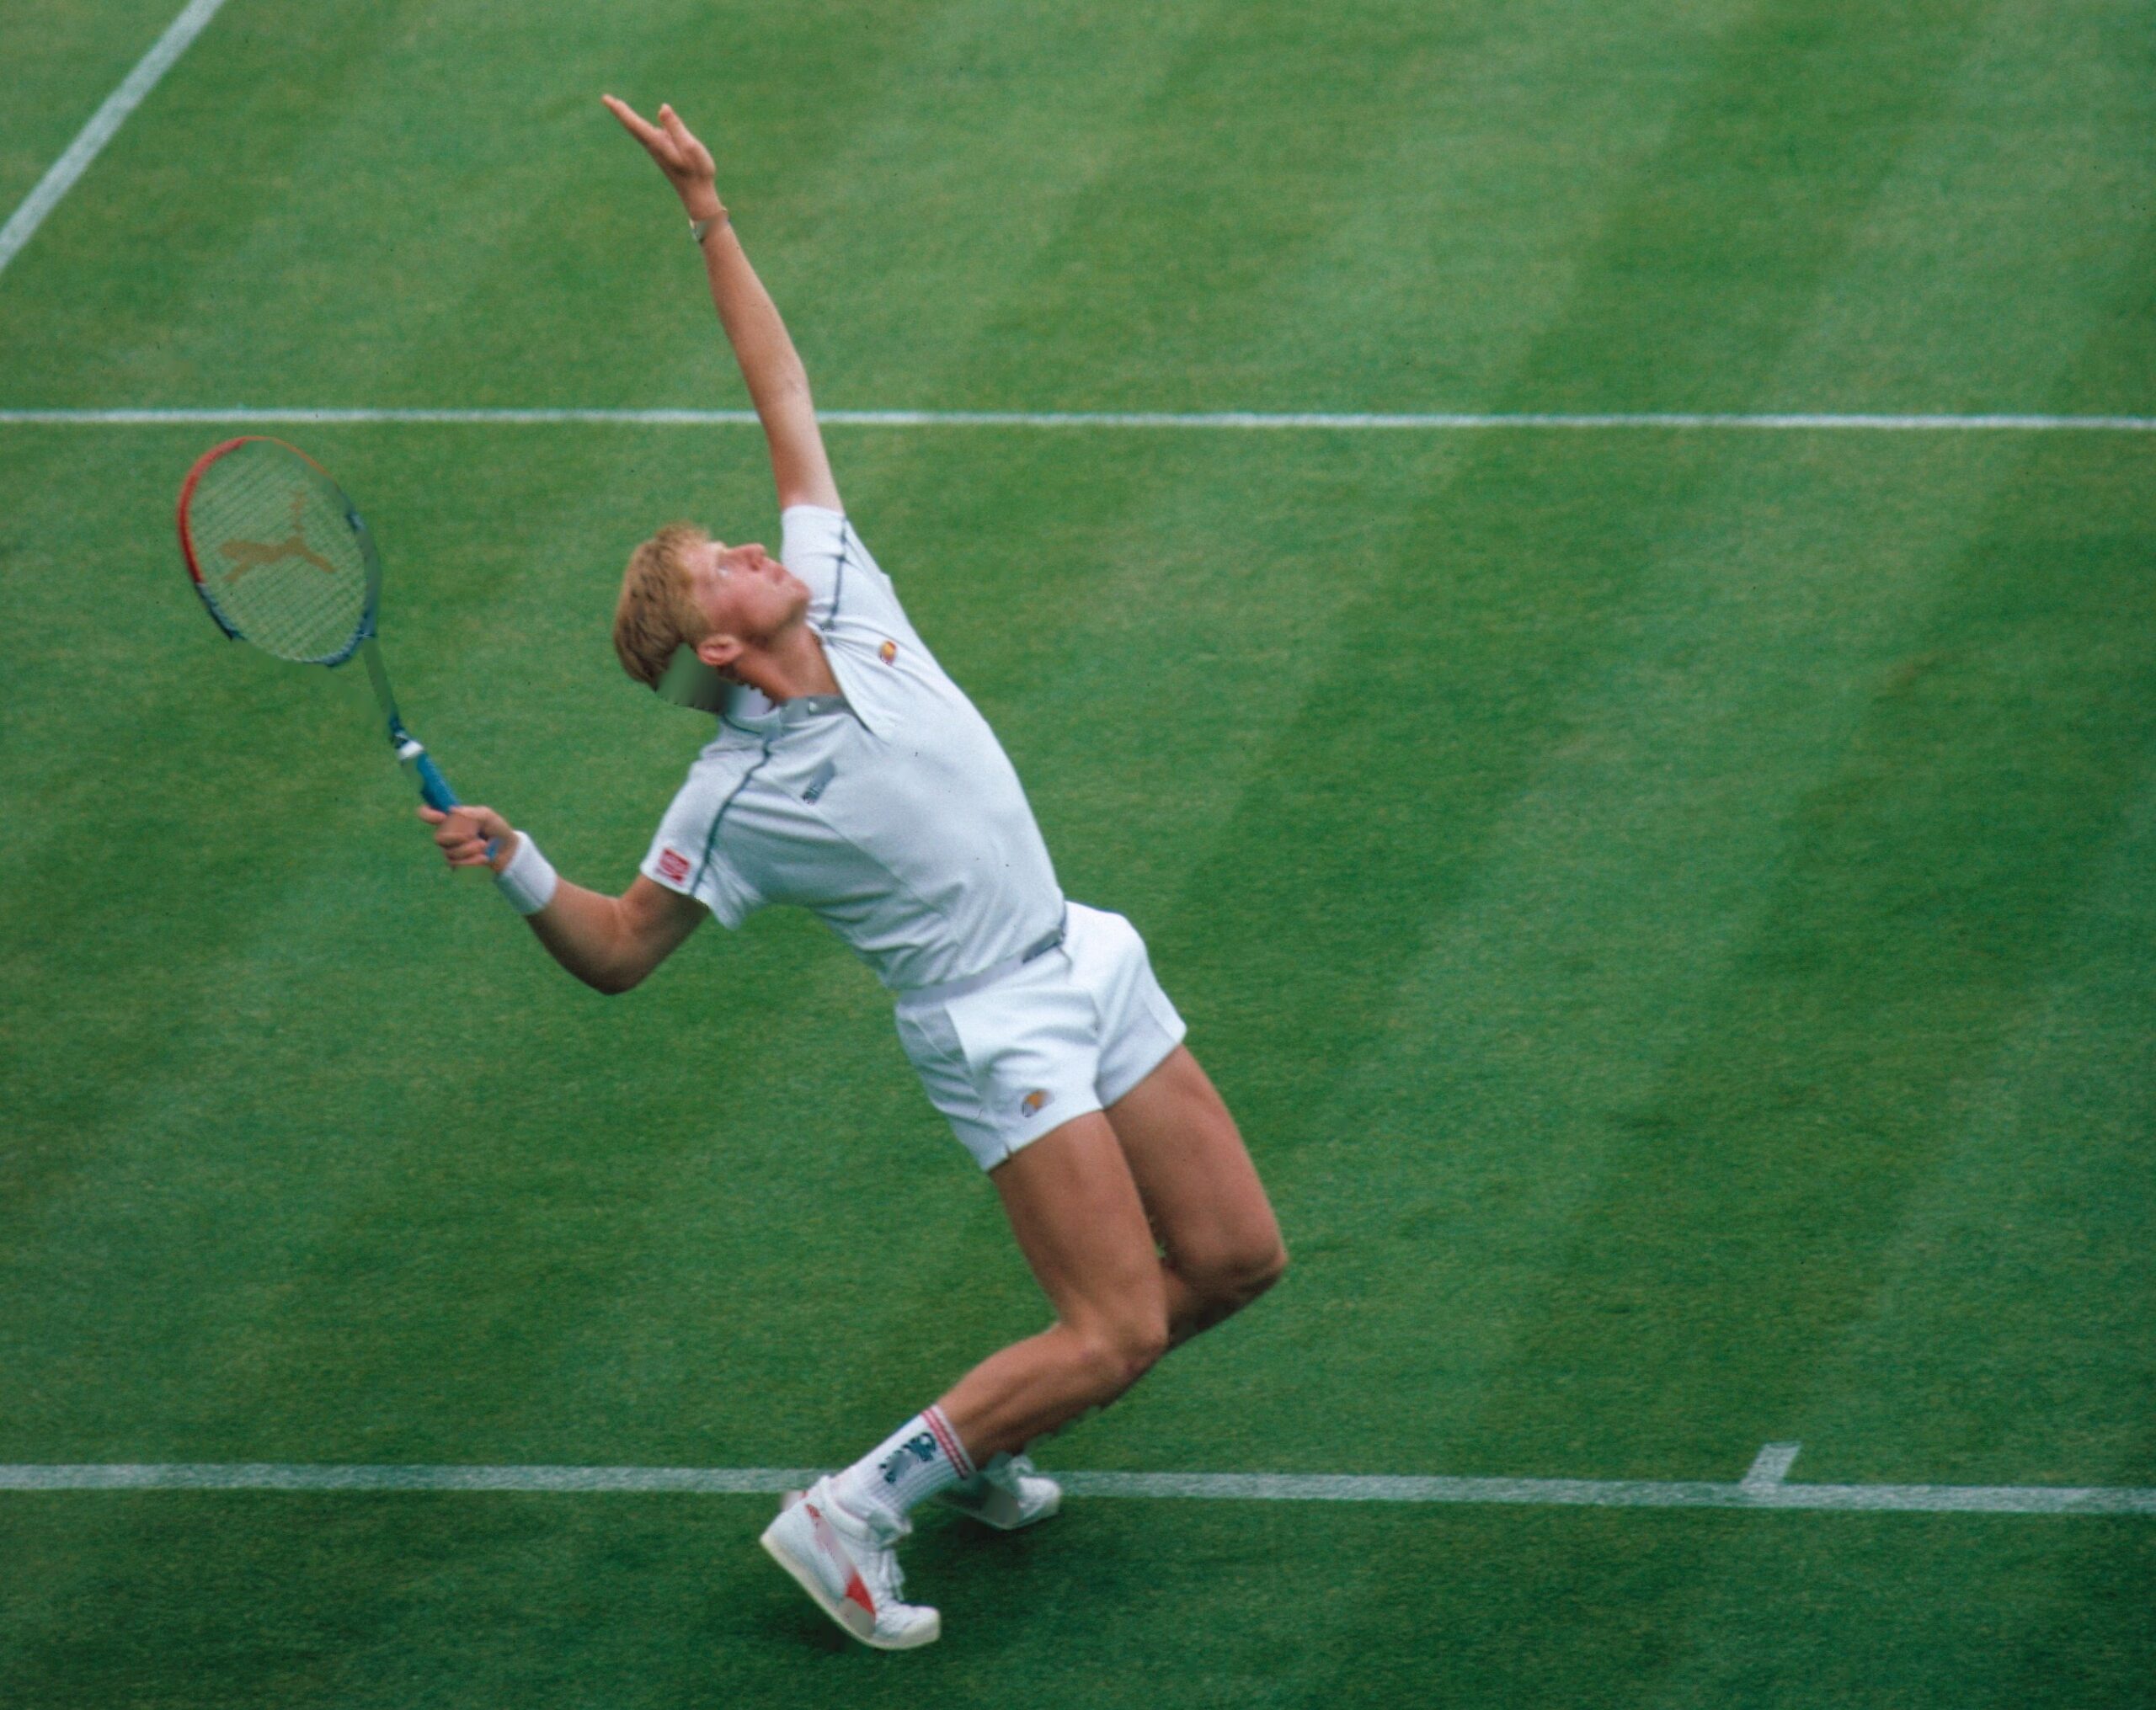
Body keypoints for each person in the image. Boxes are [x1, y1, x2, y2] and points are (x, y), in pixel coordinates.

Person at [422, 95, 1288, 1651]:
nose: (762, 546)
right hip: (991, 1030)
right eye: (728, 566)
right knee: (1113, 1328)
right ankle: (851, 1512)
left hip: (1082, 952)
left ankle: (990, 1442)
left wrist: (709, 212)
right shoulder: (735, 793)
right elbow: (622, 948)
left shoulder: (839, 584)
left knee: (1232, 1262)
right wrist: (516, 860)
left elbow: (784, 388)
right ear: (716, 642)